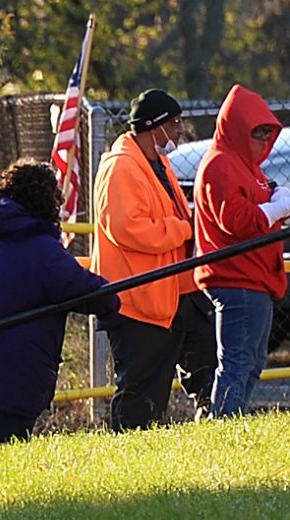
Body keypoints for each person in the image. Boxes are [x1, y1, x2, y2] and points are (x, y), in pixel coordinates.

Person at [0, 159, 121, 447]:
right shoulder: (39, 248)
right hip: (15, 364)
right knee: (8, 445)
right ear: (47, 200)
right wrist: (112, 298)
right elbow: (81, 287)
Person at [193, 86, 290, 417]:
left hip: (252, 277)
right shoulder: (221, 164)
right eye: (257, 133)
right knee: (238, 361)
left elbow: (263, 194)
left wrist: (280, 197)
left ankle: (227, 420)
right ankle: (223, 426)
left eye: (267, 133)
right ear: (237, 129)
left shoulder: (245, 165)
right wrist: (286, 205)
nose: (264, 141)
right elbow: (236, 219)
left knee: (251, 361)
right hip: (236, 277)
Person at [95, 91, 216, 429]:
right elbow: (127, 228)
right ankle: (127, 458)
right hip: (140, 300)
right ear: (154, 126)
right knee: (142, 391)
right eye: (174, 122)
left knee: (208, 366)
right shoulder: (120, 166)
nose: (180, 129)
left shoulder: (156, 162)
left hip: (175, 293)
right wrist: (183, 228)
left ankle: (216, 435)